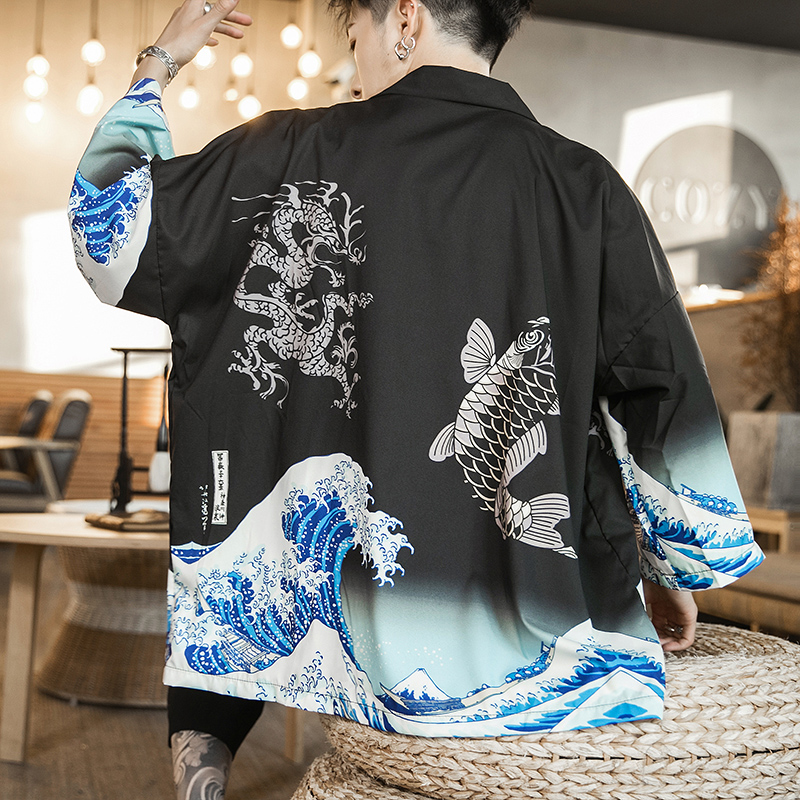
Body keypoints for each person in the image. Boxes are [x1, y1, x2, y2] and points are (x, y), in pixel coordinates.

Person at [69, 0, 764, 797]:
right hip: (544, 652)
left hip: (347, 632)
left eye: (354, 35)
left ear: (403, 17)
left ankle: (204, 773)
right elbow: (656, 383)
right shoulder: (583, 185)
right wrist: (666, 563)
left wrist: (160, 61)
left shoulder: (286, 151)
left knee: (237, 550)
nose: (356, 65)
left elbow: (107, 240)